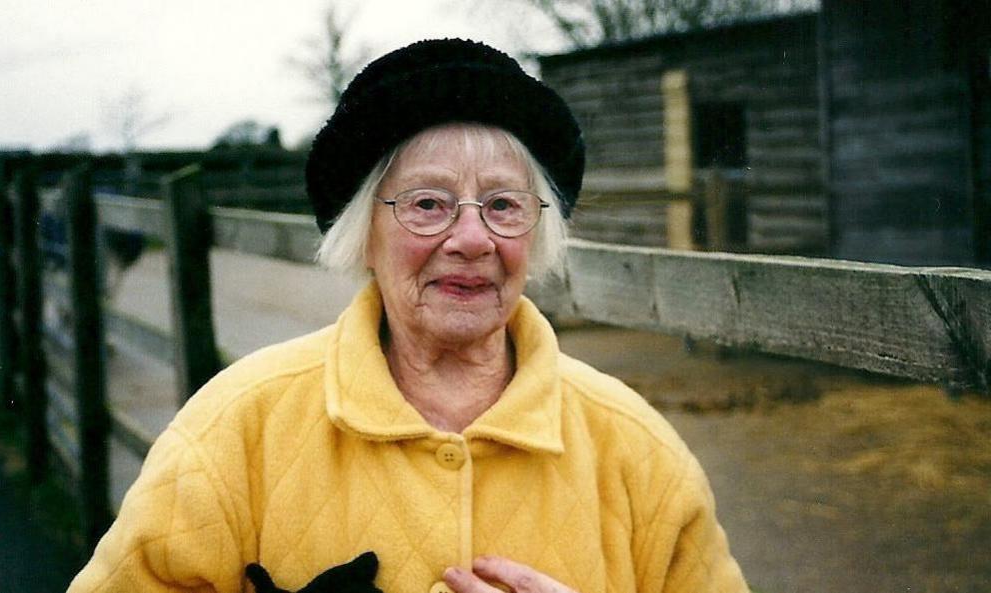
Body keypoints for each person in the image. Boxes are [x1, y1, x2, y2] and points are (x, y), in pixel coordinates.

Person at [67, 39, 747, 593]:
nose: (473, 239)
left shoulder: (639, 454)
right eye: (428, 203)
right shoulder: (237, 428)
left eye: (504, 205)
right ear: (365, 232)